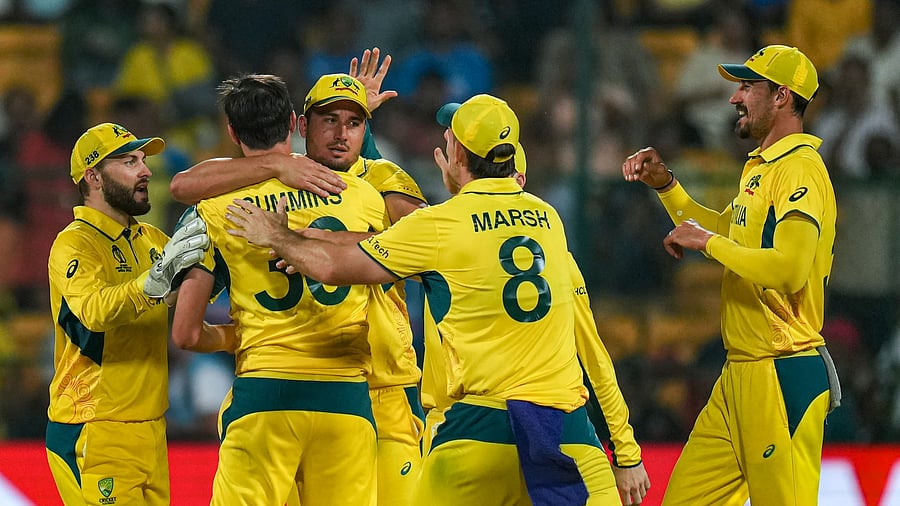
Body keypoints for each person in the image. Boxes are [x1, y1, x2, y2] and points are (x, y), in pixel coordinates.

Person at [226, 93, 621, 505]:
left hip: (476, 427)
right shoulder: (549, 219)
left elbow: (334, 267)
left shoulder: (439, 225)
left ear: (457, 153)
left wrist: (279, 236)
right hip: (562, 428)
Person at [170, 49, 428, 506]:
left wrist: (239, 335)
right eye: (330, 120)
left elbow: (185, 332)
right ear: (297, 124)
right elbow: (421, 248)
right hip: (349, 393)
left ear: (231, 132)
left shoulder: (217, 207)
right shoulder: (367, 198)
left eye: (354, 122)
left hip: (269, 388)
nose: (341, 133)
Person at [621, 45, 839, 504]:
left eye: (746, 87)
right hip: (739, 373)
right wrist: (668, 186)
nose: (734, 98)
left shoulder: (801, 169)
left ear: (780, 96)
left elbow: (790, 267)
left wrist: (709, 243)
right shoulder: (760, 168)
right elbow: (728, 232)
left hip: (783, 369)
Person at [418, 143, 651, 505]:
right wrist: (625, 451)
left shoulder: (438, 237)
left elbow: (351, 253)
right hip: (552, 428)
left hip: (468, 429)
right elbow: (595, 357)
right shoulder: (549, 255)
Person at [45, 122, 209, 504]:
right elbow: (93, 311)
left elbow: (197, 285)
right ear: (93, 177)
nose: (146, 170)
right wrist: (152, 285)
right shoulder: (74, 244)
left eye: (144, 160)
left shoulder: (151, 239)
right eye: (129, 161)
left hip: (151, 427)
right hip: (94, 427)